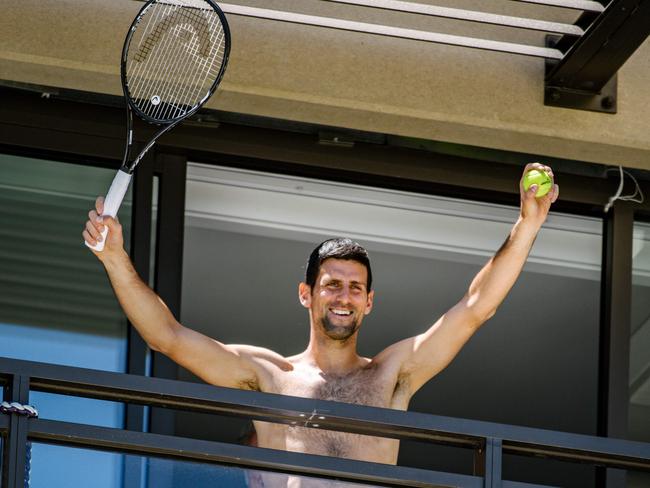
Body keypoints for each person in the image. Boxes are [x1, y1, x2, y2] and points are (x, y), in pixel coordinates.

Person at [82, 163, 558, 467]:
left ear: (369, 301)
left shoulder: (393, 373)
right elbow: (167, 337)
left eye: (355, 288)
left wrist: (526, 225)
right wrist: (114, 258)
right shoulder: (268, 375)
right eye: (332, 285)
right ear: (306, 294)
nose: (343, 297)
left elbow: (476, 308)